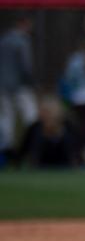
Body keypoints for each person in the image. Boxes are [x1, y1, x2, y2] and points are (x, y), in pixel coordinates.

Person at [0, 17, 37, 166]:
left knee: (6, 121)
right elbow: (26, 66)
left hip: (2, 85)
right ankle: (33, 149)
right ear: (22, 24)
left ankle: (5, 154)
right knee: (32, 118)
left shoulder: (3, 40)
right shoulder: (22, 41)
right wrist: (32, 83)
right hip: (20, 86)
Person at [15, 95, 82, 169]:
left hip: (66, 169)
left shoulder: (70, 128)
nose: (46, 117)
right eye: (43, 113)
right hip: (39, 171)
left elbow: (78, 156)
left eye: (49, 113)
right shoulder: (34, 129)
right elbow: (21, 153)